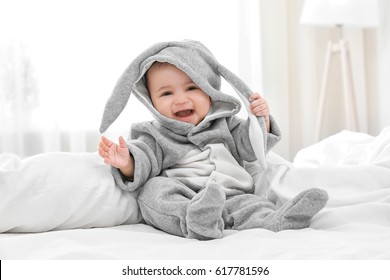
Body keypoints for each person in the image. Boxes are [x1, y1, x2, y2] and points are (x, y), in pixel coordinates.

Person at [98, 40, 328, 240]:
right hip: (186, 195)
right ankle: (196, 221)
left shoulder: (226, 123)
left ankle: (278, 219)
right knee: (154, 192)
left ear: (210, 91)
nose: (180, 99)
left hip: (234, 194)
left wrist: (261, 120)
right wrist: (126, 160)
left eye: (192, 88)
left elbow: (250, 148)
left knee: (254, 205)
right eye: (166, 93)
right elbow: (145, 157)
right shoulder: (153, 132)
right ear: (151, 101)